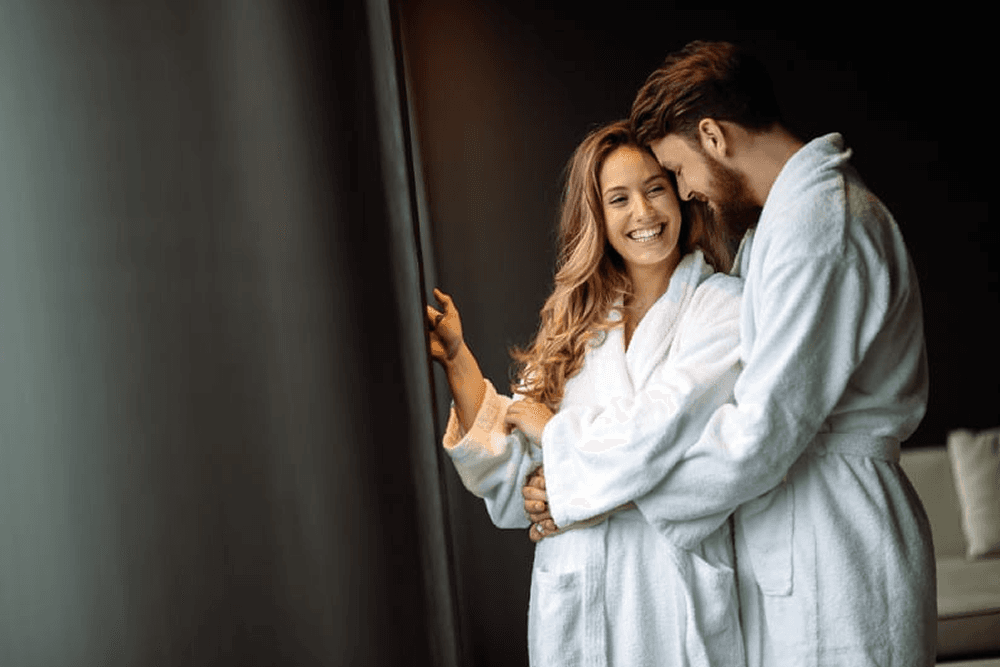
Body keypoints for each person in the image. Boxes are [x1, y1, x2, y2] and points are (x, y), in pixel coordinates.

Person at [526, 41, 936, 666]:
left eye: (676, 171)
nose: (686, 192)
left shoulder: (822, 224)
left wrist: (600, 493)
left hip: (839, 540)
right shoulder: (784, 224)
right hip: (796, 533)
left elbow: (762, 430)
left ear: (713, 136)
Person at [427, 120, 747, 666]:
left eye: (655, 189)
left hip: (668, 593)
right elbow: (515, 481)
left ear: (680, 193)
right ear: (596, 217)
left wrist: (560, 450)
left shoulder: (722, 307)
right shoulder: (575, 325)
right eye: (618, 199)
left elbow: (665, 432)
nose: (643, 214)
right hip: (580, 594)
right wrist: (459, 362)